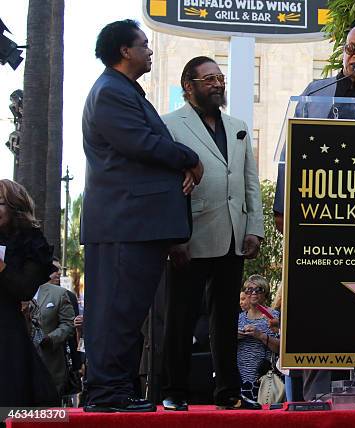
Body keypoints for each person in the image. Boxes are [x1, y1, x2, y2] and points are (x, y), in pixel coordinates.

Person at [273, 23, 355, 401]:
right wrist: (283, 208)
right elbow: (288, 157)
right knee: (319, 311)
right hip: (318, 228)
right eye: (352, 49)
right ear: (343, 51)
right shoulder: (314, 94)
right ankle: (316, 399)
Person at [81, 19, 203, 413]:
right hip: (123, 225)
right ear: (124, 51)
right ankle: (106, 393)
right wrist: (189, 158)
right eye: (144, 44)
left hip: (135, 225)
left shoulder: (123, 91)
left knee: (127, 313)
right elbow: (143, 143)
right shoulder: (111, 93)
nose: (149, 51)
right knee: (116, 311)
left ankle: (115, 388)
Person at [161, 56, 264, 411]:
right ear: (188, 86)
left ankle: (229, 394)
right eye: (209, 79)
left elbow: (249, 181)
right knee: (181, 317)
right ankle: (174, 392)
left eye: (220, 78)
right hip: (189, 237)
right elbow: (164, 184)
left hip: (234, 235)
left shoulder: (237, 126)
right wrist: (173, 237)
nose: (218, 84)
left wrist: (254, 228)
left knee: (225, 320)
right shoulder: (169, 124)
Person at [0, 179, 59, 407]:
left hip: (7, 332)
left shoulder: (32, 242)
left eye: (0, 203)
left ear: (15, 207)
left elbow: (24, 288)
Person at [33, 259, 76, 394]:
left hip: (49, 365)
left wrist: (51, 339)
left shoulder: (58, 293)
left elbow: (69, 324)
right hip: (16, 365)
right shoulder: (11, 292)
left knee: (49, 413)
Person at [237, 276, 280, 401]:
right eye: (249, 290)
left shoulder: (274, 316)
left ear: (265, 293)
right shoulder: (239, 318)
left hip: (265, 379)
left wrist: (260, 335)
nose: (253, 293)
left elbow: (282, 348)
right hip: (240, 378)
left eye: (258, 289)